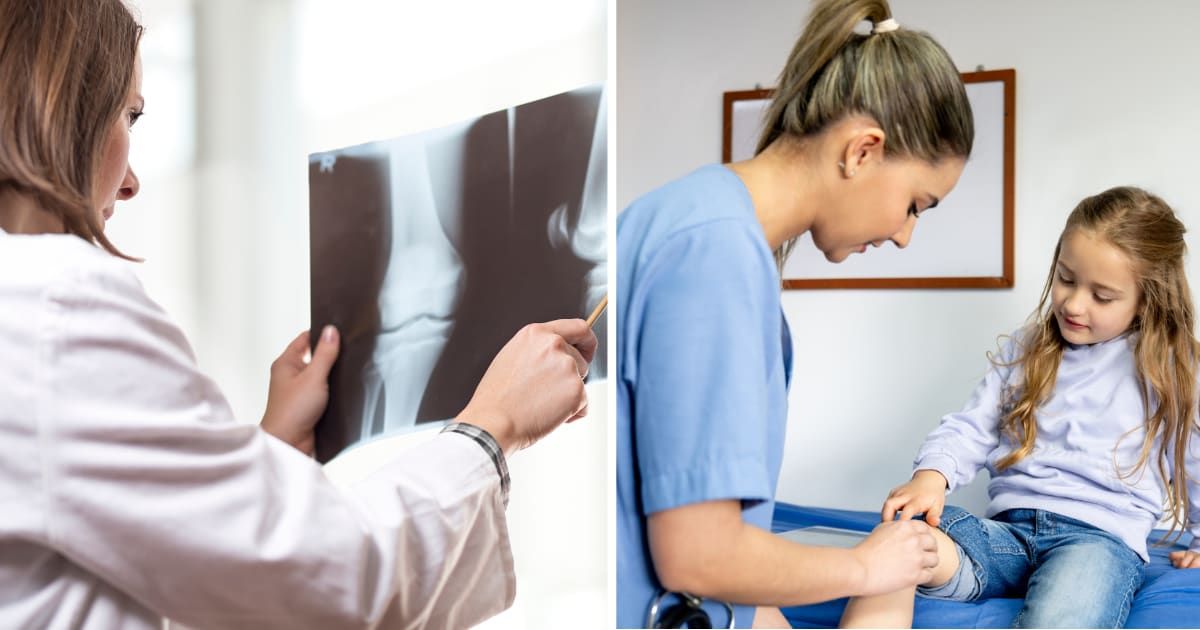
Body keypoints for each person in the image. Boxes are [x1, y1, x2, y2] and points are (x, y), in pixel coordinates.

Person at [0, 1, 596, 628]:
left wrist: (270, 453)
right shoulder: (54, 310)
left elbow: (123, 570)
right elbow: (332, 583)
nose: (131, 183)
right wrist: (493, 425)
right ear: (59, 104)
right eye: (130, 115)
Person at [615, 0, 973, 626]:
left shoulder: (689, 220)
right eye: (916, 204)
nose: (904, 235)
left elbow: (723, 555)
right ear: (863, 152)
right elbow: (697, 557)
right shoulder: (715, 254)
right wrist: (869, 569)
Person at [846, 187, 1200, 628]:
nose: (1073, 303)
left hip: (1096, 542)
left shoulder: (1170, 369)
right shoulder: (1029, 348)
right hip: (1006, 538)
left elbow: (1195, 462)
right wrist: (931, 477)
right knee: (901, 538)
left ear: (1148, 298)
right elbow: (971, 427)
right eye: (1066, 278)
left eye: (1102, 296)